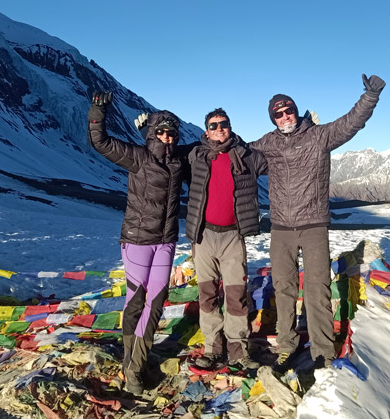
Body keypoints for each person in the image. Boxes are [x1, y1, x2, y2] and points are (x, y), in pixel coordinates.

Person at [250, 74, 386, 372]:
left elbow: (350, 123)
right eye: (278, 114)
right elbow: (237, 154)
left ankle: (323, 351)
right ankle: (287, 346)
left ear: (296, 112)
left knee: (317, 288)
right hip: (281, 229)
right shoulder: (266, 144)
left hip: (313, 226)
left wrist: (370, 96)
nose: (285, 117)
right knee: (283, 289)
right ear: (272, 118)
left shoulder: (319, 136)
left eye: (288, 111)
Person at [88, 91, 185, 394]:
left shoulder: (179, 163)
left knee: (156, 301)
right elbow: (100, 142)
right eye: (162, 132)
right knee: (137, 299)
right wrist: (98, 111)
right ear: (154, 133)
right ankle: (132, 367)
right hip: (137, 240)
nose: (167, 137)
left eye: (172, 132)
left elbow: (202, 152)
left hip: (166, 240)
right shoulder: (138, 157)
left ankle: (136, 364)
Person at [185, 108, 268, 372]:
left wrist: (304, 130)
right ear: (206, 130)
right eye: (213, 125)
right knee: (207, 295)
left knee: (236, 295)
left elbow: (282, 156)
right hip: (204, 235)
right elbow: (163, 151)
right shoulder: (196, 155)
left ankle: (238, 352)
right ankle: (213, 350)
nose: (219, 129)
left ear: (230, 127)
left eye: (224, 124)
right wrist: (147, 133)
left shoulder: (247, 156)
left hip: (233, 234)